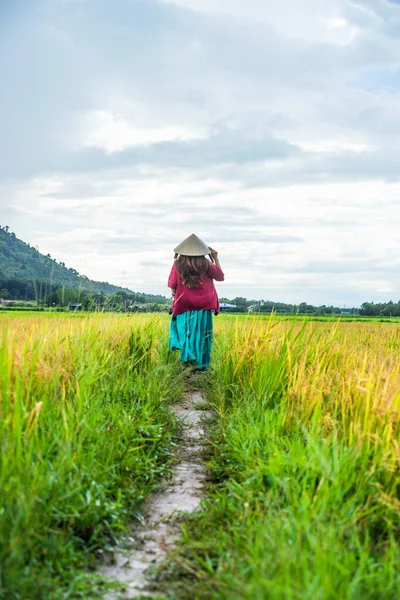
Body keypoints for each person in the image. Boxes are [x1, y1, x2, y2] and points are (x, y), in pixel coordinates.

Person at [168, 233, 224, 371]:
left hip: (183, 304)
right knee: (202, 334)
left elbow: (173, 285)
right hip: (204, 304)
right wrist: (215, 258)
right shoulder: (206, 264)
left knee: (185, 332)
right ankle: (199, 365)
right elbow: (220, 277)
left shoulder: (178, 265)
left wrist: (173, 299)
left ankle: (187, 362)